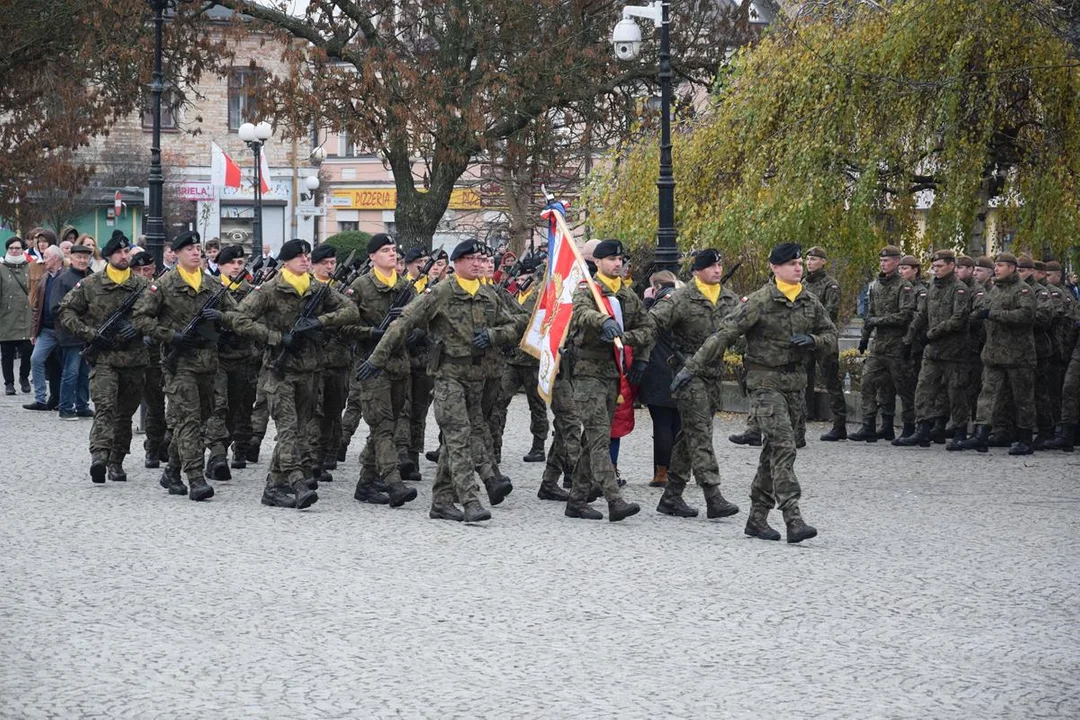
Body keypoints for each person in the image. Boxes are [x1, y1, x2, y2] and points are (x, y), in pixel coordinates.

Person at [672, 242, 833, 543]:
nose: (798, 268)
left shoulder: (809, 301)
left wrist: (813, 340)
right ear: (774, 268)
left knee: (773, 452)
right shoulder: (759, 301)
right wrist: (690, 369)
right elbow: (724, 335)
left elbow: (830, 335)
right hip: (765, 386)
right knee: (784, 446)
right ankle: (793, 518)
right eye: (791, 264)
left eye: (799, 263)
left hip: (795, 387)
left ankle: (757, 519)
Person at [357, 238, 519, 522]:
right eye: (471, 259)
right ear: (457, 264)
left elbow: (513, 324)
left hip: (476, 379)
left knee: (454, 441)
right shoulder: (441, 293)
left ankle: (442, 502)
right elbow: (402, 324)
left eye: (481, 259)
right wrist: (375, 360)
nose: (478, 264)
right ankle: (470, 500)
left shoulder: (488, 295)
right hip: (447, 378)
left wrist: (494, 336)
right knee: (458, 438)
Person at [231, 239, 358, 509]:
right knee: (288, 430)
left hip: (310, 369)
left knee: (299, 431)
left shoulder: (317, 289)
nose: (304, 259)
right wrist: (275, 338)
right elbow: (239, 319)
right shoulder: (269, 290)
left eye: (306, 255)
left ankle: (274, 487)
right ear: (286, 261)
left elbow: (351, 310)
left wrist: (320, 322)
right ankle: (298, 481)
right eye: (298, 256)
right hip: (279, 370)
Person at [133, 230, 237, 501]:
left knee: (199, 421)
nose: (195, 252)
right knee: (189, 420)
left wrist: (222, 317)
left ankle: (172, 471)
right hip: (178, 363)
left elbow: (239, 315)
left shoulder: (213, 285)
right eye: (189, 248)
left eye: (198, 248)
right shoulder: (164, 285)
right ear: (177, 253)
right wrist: (172, 336)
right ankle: (196, 478)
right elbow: (141, 319)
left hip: (208, 363)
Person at [564, 239, 654, 522]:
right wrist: (602, 322)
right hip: (588, 373)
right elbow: (580, 312)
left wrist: (630, 345)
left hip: (615, 374)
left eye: (620, 259)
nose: (618, 264)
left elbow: (648, 327)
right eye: (612, 260)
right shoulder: (587, 289)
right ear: (598, 263)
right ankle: (614, 499)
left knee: (593, 440)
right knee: (600, 437)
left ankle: (577, 500)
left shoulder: (626, 295)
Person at [649, 251, 742, 518]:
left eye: (720, 264)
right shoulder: (680, 298)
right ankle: (713, 496)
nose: (717, 269)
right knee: (700, 434)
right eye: (711, 266)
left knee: (689, 435)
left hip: (713, 374)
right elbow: (653, 322)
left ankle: (671, 496)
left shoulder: (728, 298)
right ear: (696, 271)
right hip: (689, 375)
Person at [58, 231, 147, 483]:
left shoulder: (142, 286)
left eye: (126, 251)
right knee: (105, 408)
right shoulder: (90, 285)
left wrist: (140, 327)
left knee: (124, 414)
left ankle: (116, 460)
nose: (123, 256)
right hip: (105, 357)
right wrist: (89, 333)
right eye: (118, 252)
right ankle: (99, 455)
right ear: (108, 256)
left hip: (134, 359)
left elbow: (160, 315)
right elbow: (65, 310)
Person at [342, 234, 420, 508]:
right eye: (385, 250)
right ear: (372, 257)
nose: (392, 254)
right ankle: (393, 481)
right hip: (371, 365)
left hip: (400, 365)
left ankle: (365, 483)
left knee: (386, 425)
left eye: (393, 250)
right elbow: (344, 327)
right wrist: (371, 333)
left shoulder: (405, 287)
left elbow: (418, 321)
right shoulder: (360, 286)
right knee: (383, 426)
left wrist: (413, 335)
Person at [894, 249, 972, 449]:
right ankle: (923, 429)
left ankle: (960, 431)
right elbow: (921, 315)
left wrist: (934, 332)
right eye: (934, 267)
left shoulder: (959, 289)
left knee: (956, 392)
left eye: (939, 266)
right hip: (933, 350)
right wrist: (908, 339)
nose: (935, 270)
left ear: (951, 266)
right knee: (924, 388)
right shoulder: (932, 289)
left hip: (954, 351)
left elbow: (959, 318)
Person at [961, 253, 1037, 454]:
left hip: (1017, 356)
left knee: (1022, 399)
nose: (997, 269)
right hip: (994, 354)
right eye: (996, 265)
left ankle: (1025, 439)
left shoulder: (1023, 290)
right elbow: (985, 311)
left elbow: (1026, 315)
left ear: (1012, 268)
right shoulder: (995, 289)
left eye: (1001, 265)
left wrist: (993, 315)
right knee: (987, 397)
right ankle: (981, 435)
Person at [850, 245, 916, 442]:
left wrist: (878, 322)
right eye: (881, 261)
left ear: (896, 263)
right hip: (878, 345)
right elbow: (870, 314)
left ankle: (909, 427)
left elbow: (905, 315)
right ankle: (870, 425)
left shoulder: (904, 287)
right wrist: (864, 337)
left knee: (903, 388)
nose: (883, 264)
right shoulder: (876, 286)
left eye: (886, 261)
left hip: (897, 345)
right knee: (868, 382)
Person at [204, 245, 259, 470]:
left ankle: (234, 447)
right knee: (219, 405)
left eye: (239, 263)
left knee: (241, 407)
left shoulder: (252, 292)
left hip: (244, 356)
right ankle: (217, 454)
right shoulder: (210, 290)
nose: (236, 267)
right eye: (231, 263)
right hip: (217, 357)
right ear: (220, 266)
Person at [307, 243, 353, 478]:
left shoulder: (344, 291)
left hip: (338, 358)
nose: (329, 267)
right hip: (313, 359)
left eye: (332, 263)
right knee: (314, 411)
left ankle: (328, 453)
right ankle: (312, 459)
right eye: (324, 263)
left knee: (334, 409)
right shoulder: (307, 288)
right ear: (313, 265)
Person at [639, 270, 681, 487]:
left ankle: (662, 472)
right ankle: (678, 470)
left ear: (655, 287)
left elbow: (645, 327)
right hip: (682, 369)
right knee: (678, 423)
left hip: (659, 370)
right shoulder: (686, 302)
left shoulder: (659, 305)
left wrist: (647, 301)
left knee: (662, 424)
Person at [802, 246, 847, 441]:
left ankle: (840, 424)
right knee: (804, 378)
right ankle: (805, 414)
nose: (809, 262)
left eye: (814, 259)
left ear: (823, 262)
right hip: (806, 339)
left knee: (831, 380)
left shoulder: (831, 285)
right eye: (808, 259)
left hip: (824, 339)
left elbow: (830, 313)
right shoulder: (803, 283)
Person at [129, 250, 167, 468]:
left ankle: (154, 446)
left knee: (157, 404)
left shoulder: (160, 289)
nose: (144, 274)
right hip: (132, 352)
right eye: (139, 270)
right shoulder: (128, 289)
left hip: (156, 353)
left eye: (148, 269)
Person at [52, 243, 93, 417]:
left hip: (89, 334)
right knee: (71, 372)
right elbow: (55, 308)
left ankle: (82, 406)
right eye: (79, 257)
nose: (83, 260)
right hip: (71, 334)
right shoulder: (63, 279)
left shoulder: (93, 277)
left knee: (85, 374)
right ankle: (66, 407)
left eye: (86, 257)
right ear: (71, 258)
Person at [24, 245, 66, 410]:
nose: (44, 260)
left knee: (64, 366)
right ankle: (40, 399)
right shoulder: (44, 278)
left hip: (64, 329)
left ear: (56, 258)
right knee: (36, 359)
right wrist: (35, 331)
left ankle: (63, 399)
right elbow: (37, 307)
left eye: (46, 257)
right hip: (47, 329)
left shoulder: (66, 276)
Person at [1, 236, 34, 395]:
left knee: (28, 350)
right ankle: (9, 383)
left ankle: (24, 377)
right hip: (6, 316)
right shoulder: (1, 268)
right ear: (7, 250)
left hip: (26, 316)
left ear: (23, 249)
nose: (14, 251)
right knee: (7, 353)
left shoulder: (31, 267)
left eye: (17, 248)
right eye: (11, 248)